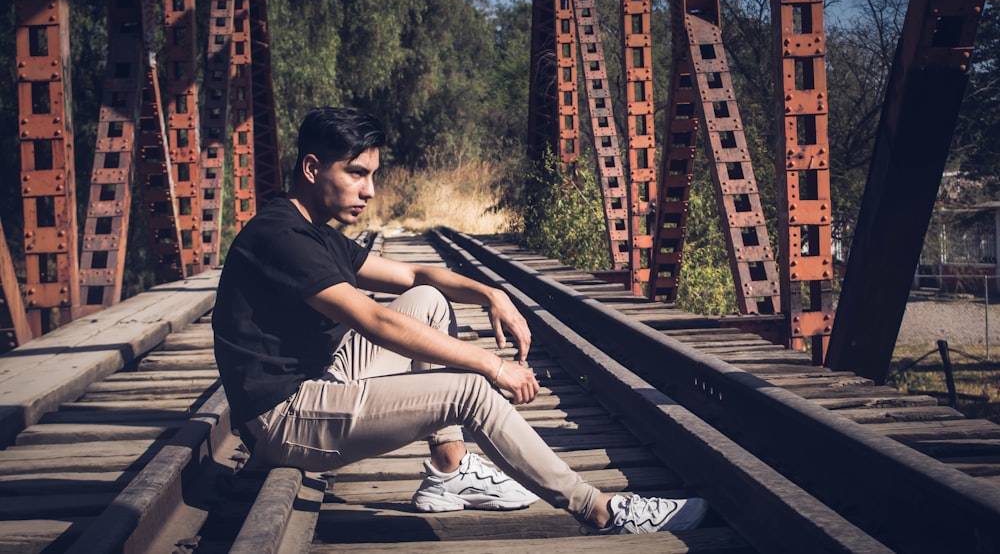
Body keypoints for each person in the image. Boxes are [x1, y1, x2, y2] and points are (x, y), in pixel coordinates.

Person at [212, 106, 707, 534]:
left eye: (373, 175)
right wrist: (491, 366)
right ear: (313, 167)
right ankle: (599, 510)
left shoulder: (311, 228)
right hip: (285, 416)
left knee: (428, 298)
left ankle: (448, 472)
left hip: (321, 378)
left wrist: (489, 292)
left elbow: (410, 273)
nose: (370, 190)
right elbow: (374, 322)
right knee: (467, 390)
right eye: (357, 173)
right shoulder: (281, 236)